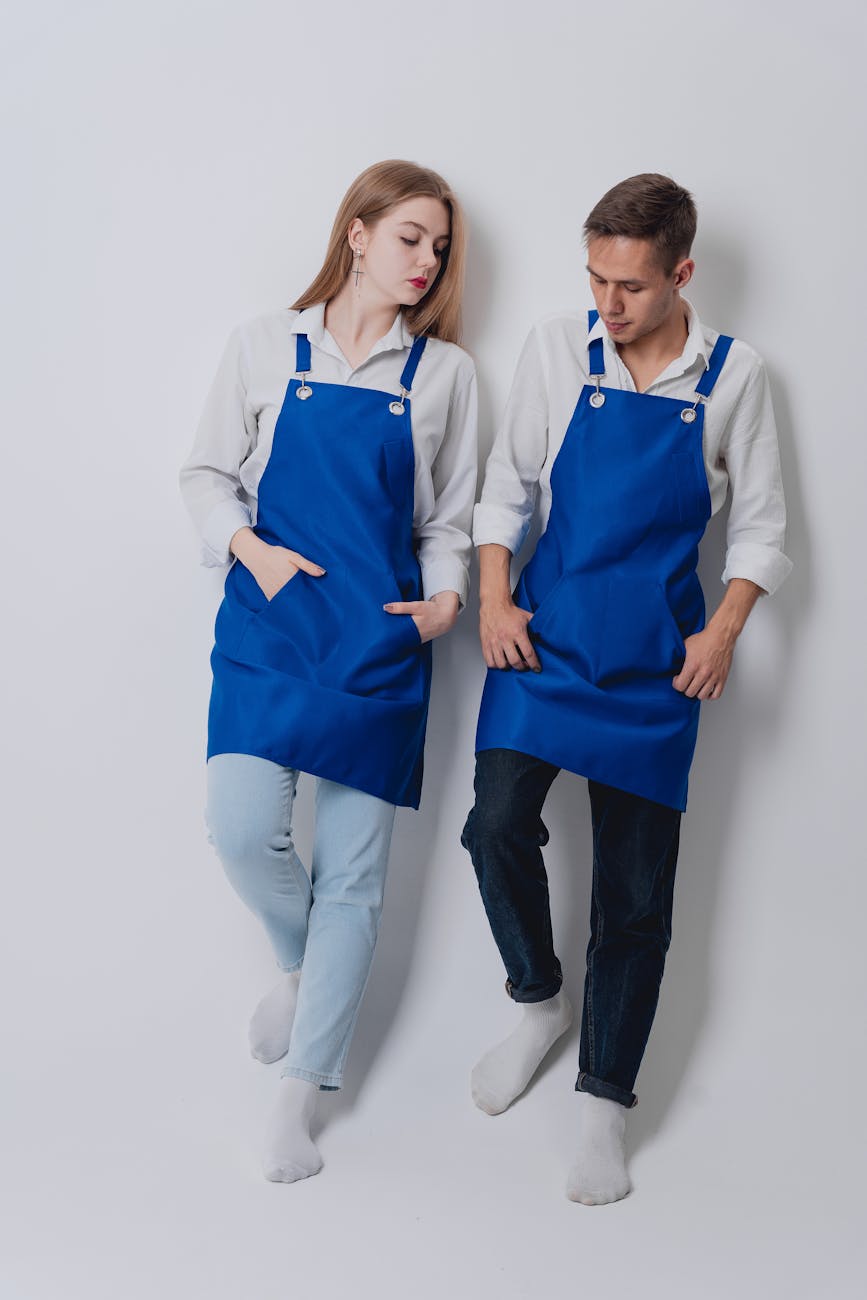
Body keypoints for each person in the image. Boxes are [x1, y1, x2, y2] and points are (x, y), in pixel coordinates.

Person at [461, 174, 791, 1205]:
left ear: (682, 274)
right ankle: (538, 1000)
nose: (609, 301)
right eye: (596, 278)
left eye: (633, 285)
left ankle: (605, 1101)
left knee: (636, 900)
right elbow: (510, 485)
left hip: (655, 665)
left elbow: (762, 528)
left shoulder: (738, 376)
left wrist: (724, 630)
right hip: (545, 642)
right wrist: (495, 600)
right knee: (494, 824)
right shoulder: (560, 349)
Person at [180, 160, 477, 1183]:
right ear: (356, 234)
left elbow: (446, 521)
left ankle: (298, 1103)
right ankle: (306, 971)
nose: (425, 261)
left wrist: (447, 599)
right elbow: (205, 473)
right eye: (409, 238)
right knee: (238, 823)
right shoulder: (265, 345)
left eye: (438, 247)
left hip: (381, 646)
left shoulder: (444, 376)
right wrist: (247, 549)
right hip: (270, 632)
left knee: (353, 879)